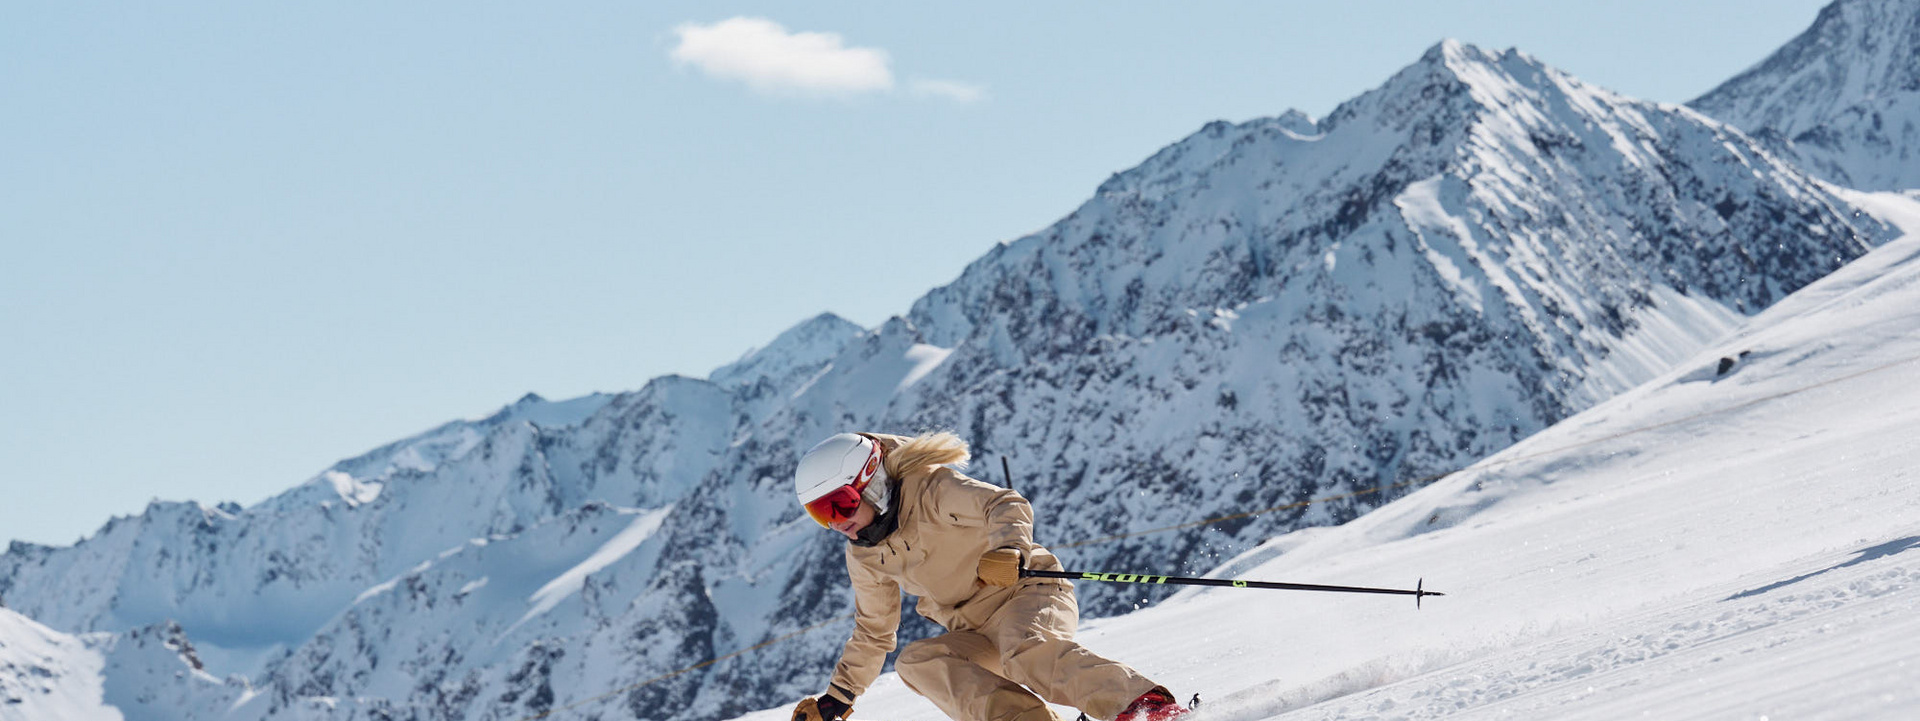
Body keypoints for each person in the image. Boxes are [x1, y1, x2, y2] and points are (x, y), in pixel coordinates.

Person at [787, 431, 1188, 721]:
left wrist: (1009, 549)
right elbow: (874, 632)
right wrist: (837, 698)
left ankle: (1145, 708)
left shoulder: (929, 489)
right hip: (972, 627)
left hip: (1025, 591)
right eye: (821, 514)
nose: (837, 522)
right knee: (917, 661)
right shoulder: (865, 554)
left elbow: (1004, 504)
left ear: (871, 482)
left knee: (1023, 651)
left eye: (841, 504)